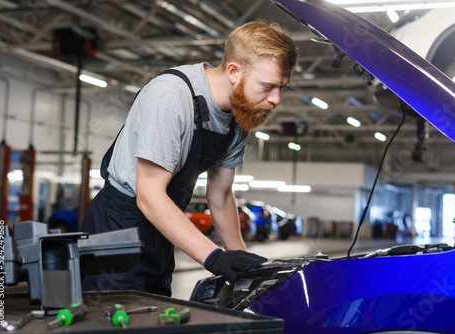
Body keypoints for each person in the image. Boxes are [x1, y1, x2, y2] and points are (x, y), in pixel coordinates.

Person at [80, 20, 298, 296]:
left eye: (282, 88)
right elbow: (148, 196)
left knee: (155, 315)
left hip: (165, 226)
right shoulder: (171, 96)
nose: (276, 99)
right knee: (117, 317)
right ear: (234, 71)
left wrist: (244, 265)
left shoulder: (239, 116)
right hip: (118, 226)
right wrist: (214, 257)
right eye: (268, 86)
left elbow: (220, 194)